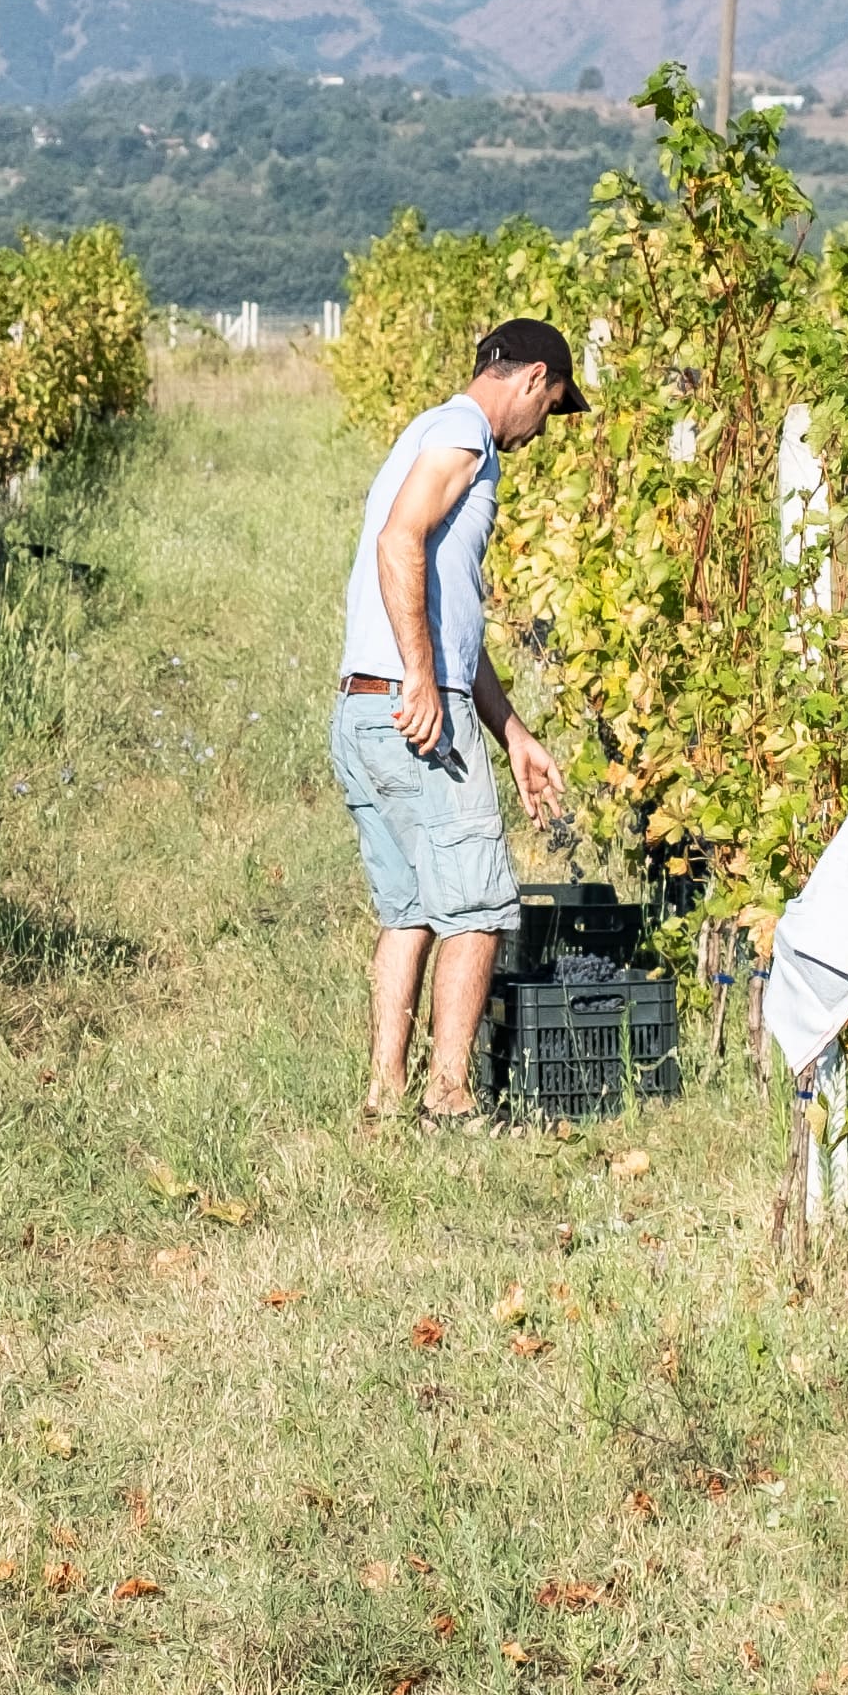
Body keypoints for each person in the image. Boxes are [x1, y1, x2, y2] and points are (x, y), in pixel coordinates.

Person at [334, 317, 580, 1124]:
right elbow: (399, 543)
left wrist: (510, 732)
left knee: (408, 912)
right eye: (550, 408)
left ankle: (383, 1095)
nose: (542, 430)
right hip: (410, 710)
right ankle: (450, 1101)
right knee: (476, 911)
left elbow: (450, 617)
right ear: (532, 379)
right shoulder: (463, 435)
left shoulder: (426, 432)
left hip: (365, 711)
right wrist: (422, 677)